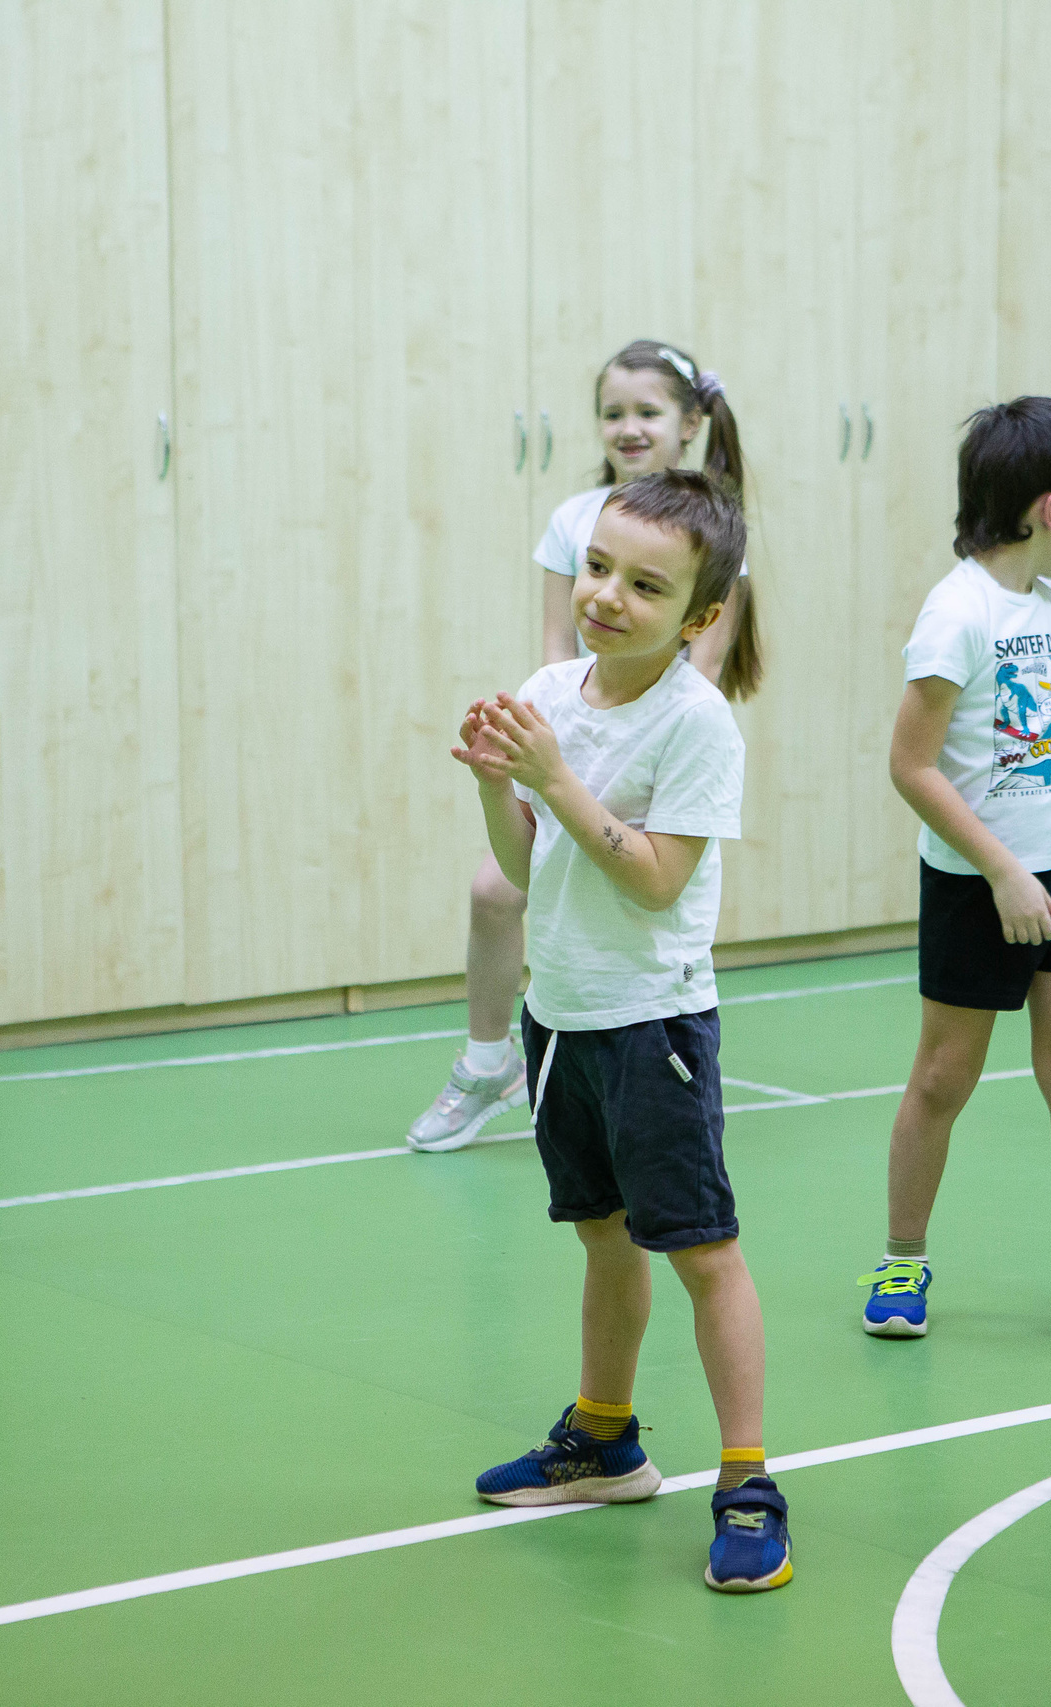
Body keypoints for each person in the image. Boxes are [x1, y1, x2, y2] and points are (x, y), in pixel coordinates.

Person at [452, 469, 788, 1593]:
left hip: (654, 1027)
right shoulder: (552, 688)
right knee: (601, 1233)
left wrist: (552, 774)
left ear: (698, 616)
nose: (606, 595)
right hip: (561, 1016)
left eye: (646, 586)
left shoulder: (696, 725)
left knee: (701, 1252)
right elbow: (523, 865)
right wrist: (500, 787)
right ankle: (605, 1439)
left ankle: (745, 1481)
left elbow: (651, 881)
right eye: (599, 567)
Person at [407, 339, 757, 1152]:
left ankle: (671, 1062)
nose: (628, 427)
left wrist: (579, 764)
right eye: (613, 412)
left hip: (640, 776)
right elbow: (560, 655)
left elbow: (690, 675)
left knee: (639, 903)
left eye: (648, 411)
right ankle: (491, 1057)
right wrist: (521, 761)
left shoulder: (706, 568)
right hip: (574, 755)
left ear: (691, 422)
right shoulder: (572, 518)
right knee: (498, 889)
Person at [863, 398, 1051, 1346]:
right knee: (945, 1076)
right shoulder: (957, 614)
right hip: (974, 883)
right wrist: (999, 871)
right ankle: (903, 1257)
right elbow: (910, 764)